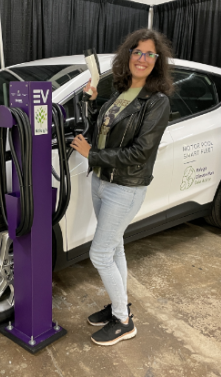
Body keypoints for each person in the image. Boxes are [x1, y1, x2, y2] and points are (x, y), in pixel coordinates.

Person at [70, 28, 173, 346]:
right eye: (137, 52)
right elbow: (99, 128)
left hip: (125, 188)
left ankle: (124, 322)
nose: (142, 59)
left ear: (157, 61)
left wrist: (93, 154)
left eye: (149, 54)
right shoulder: (120, 91)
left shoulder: (157, 103)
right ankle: (119, 307)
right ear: (128, 55)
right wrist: (90, 102)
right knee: (115, 247)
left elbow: (140, 152)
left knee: (99, 254)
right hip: (101, 180)